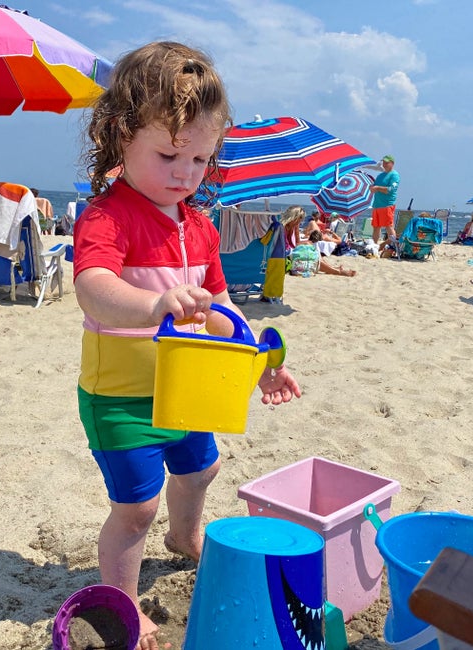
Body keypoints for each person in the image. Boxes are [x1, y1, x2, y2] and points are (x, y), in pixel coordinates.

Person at [71, 41, 301, 650]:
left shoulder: (198, 225)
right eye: (170, 153)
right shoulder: (107, 216)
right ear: (123, 137)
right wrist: (151, 305)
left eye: (200, 159)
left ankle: (184, 537)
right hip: (120, 397)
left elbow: (224, 311)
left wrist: (259, 366)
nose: (185, 173)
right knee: (134, 510)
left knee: (202, 469)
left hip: (187, 390)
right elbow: (92, 289)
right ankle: (125, 605)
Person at [370, 155, 399, 242]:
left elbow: (391, 189)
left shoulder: (394, 175)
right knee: (376, 227)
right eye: (383, 162)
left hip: (387, 205)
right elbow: (374, 188)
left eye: (387, 162)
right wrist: (372, 188)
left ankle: (392, 246)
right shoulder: (380, 175)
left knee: (389, 227)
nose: (384, 164)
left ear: (392, 163)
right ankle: (374, 247)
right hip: (377, 205)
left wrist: (378, 188)